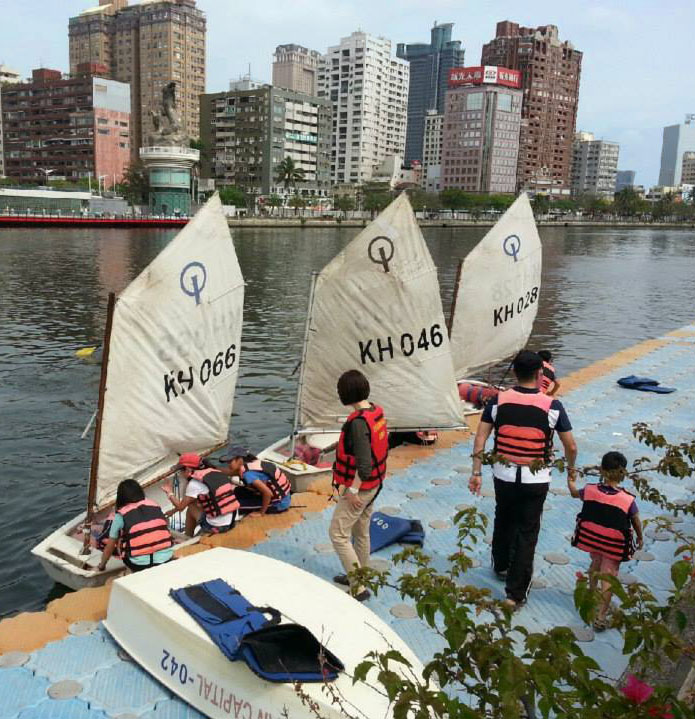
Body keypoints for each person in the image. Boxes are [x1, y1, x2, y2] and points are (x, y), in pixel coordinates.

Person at [469, 350, 577, 610]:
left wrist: (476, 472)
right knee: (527, 532)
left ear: (515, 372)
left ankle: (501, 565)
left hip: (503, 475)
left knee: (503, 517)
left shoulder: (498, 401)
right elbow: (570, 446)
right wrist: (571, 473)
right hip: (535, 479)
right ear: (540, 374)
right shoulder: (552, 406)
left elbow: (480, 438)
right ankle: (514, 594)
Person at [329, 369, 388, 602]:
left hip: (362, 488)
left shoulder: (358, 424)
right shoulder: (374, 411)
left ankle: (359, 587)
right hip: (375, 485)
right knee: (360, 530)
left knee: (337, 534)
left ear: (346, 393)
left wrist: (353, 490)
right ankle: (361, 575)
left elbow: (363, 464)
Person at [569, 451, 643, 631]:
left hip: (592, 538)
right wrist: (640, 537)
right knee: (608, 576)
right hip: (613, 545)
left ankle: (592, 598)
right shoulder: (627, 499)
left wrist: (570, 478)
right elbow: (635, 520)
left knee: (595, 564)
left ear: (601, 470)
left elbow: (573, 492)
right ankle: (601, 616)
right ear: (623, 473)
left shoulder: (589, 490)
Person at [97, 479, 174, 572]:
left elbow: (110, 546)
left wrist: (102, 566)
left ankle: (130, 571)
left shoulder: (121, 515)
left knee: (119, 539)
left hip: (138, 565)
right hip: (166, 558)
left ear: (121, 496)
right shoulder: (154, 505)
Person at [163, 452, 239, 536]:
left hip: (217, 527)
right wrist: (172, 511)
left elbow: (181, 507)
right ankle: (189, 535)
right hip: (232, 520)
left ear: (188, 469)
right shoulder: (215, 472)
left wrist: (169, 492)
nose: (180, 474)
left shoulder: (194, 484)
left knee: (191, 508)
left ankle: (188, 537)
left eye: (181, 471)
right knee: (193, 503)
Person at [219, 445, 291, 516]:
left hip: (278, 504)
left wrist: (261, 513)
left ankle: (262, 509)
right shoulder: (251, 463)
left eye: (230, 462)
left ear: (240, 459)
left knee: (232, 506)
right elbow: (230, 472)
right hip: (284, 496)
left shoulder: (248, 474)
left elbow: (268, 493)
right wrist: (213, 468)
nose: (228, 465)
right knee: (237, 491)